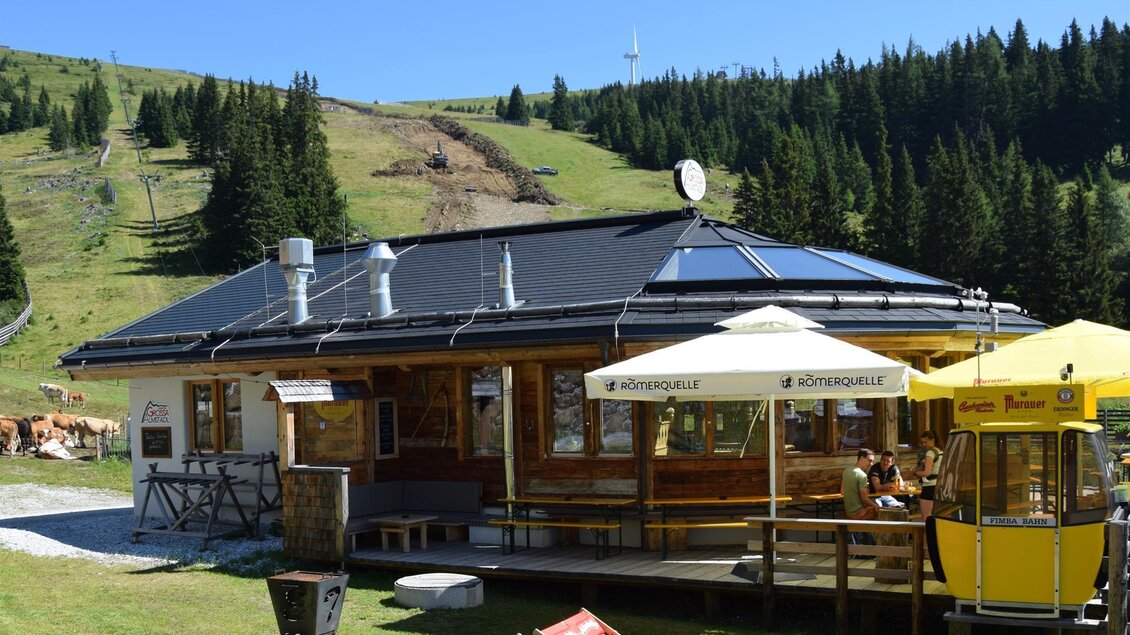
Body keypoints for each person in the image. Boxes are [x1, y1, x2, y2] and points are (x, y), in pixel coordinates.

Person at [841, 448, 881, 520]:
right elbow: (864, 498)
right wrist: (878, 507)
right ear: (862, 458)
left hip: (848, 513)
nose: (871, 464)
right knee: (881, 511)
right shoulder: (862, 475)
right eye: (870, 461)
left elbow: (842, 491)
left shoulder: (846, 471)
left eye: (872, 462)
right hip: (859, 514)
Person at [913, 431, 943, 517]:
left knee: (926, 517)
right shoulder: (940, 451)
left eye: (926, 442)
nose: (923, 445)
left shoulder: (930, 453)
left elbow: (926, 473)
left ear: (932, 440)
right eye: (922, 442)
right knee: (937, 516)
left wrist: (916, 473)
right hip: (939, 485)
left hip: (929, 487)